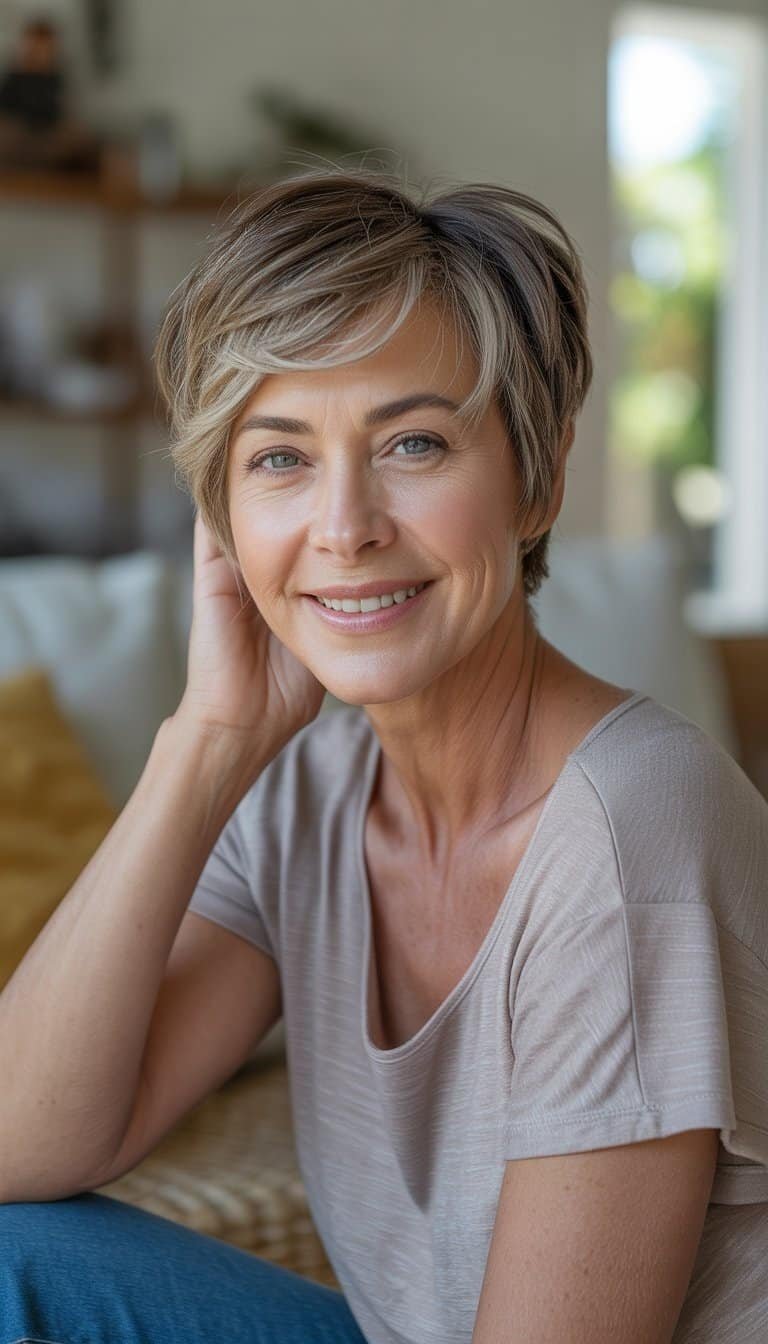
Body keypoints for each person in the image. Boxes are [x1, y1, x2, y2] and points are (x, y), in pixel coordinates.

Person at [1, 165, 767, 1344]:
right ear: (222, 520)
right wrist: (206, 743)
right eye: (279, 458)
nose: (344, 526)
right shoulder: (303, 794)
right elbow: (22, 1143)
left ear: (541, 475)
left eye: (412, 443)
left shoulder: (631, 832)